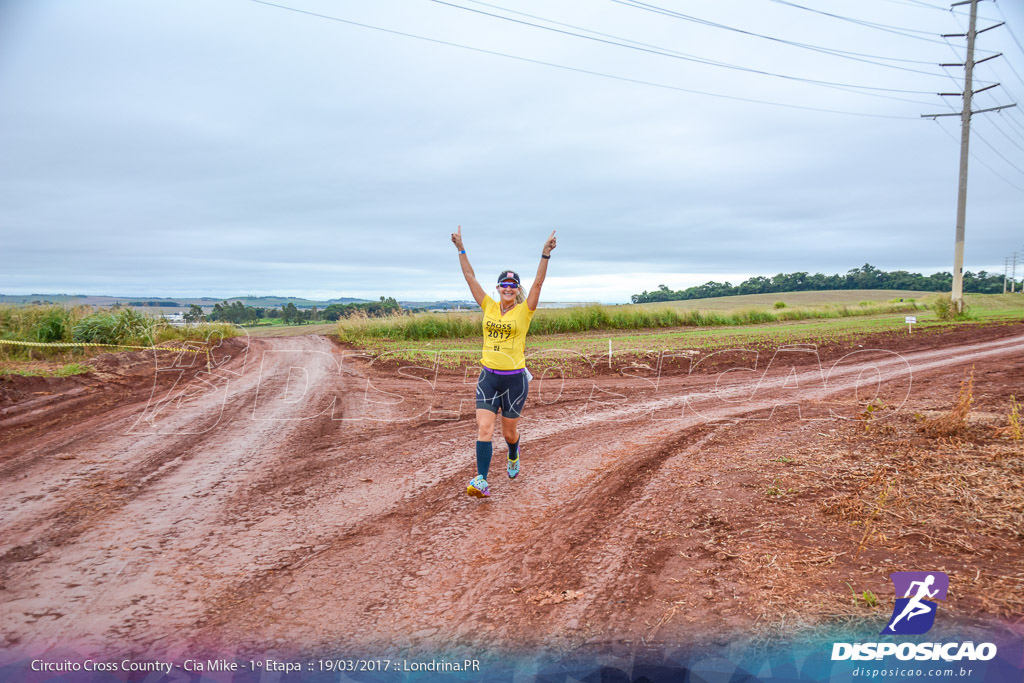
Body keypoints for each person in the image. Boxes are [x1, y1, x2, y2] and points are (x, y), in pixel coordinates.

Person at [450, 225, 557, 498]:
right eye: (504, 284)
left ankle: (513, 453)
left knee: (509, 433)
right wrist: (461, 248)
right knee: (484, 428)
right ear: (498, 288)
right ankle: (481, 480)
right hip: (489, 377)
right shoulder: (488, 305)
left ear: (516, 289)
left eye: (513, 285)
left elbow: (538, 284)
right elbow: (469, 277)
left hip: (514, 381)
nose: (508, 288)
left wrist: (545, 254)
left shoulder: (525, 311)